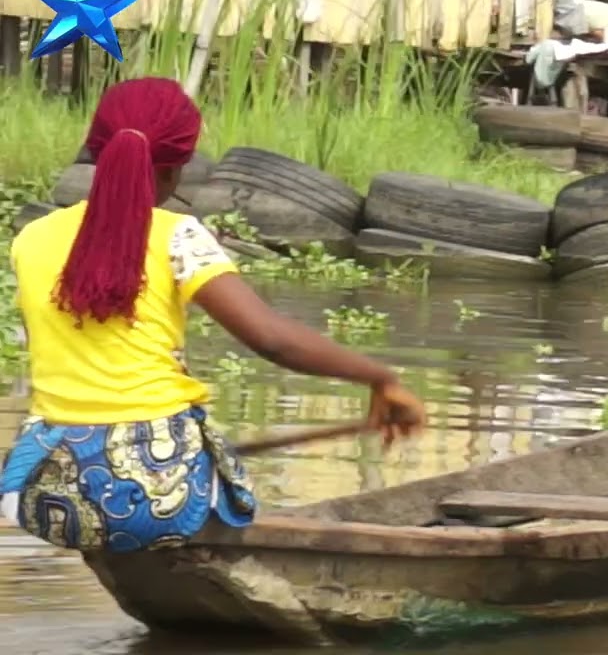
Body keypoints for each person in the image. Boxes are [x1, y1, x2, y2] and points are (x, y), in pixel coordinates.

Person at [0, 77, 424, 553]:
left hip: (45, 495)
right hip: (155, 500)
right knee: (225, 485)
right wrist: (381, 378)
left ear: (95, 149)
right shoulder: (178, 236)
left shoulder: (30, 238)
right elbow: (272, 340)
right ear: (177, 169)